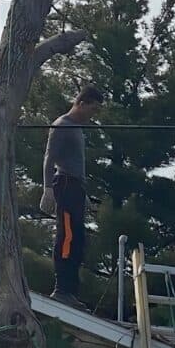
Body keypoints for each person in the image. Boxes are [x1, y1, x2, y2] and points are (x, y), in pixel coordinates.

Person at [40, 86, 104, 309]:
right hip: (64, 184)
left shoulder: (77, 128)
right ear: (82, 103)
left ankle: (71, 292)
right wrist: (48, 189)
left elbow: (76, 164)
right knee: (67, 235)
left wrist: (83, 194)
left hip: (76, 187)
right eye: (92, 109)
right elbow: (49, 159)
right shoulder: (62, 125)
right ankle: (61, 289)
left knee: (77, 239)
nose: (92, 115)